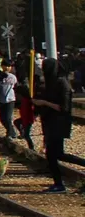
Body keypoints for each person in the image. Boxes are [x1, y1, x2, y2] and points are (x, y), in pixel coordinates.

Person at [34, 59, 74, 193]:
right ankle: (58, 184)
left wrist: (44, 102)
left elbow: (64, 107)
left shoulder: (62, 83)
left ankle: (59, 184)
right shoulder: (52, 82)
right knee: (55, 155)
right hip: (51, 123)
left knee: (55, 155)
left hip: (60, 123)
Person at [0, 61, 19, 140]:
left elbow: (15, 86)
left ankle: (10, 133)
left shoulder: (13, 77)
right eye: (5, 66)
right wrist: (1, 77)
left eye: (9, 66)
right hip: (1, 99)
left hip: (10, 99)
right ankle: (11, 132)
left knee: (8, 117)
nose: (7, 68)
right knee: (2, 118)